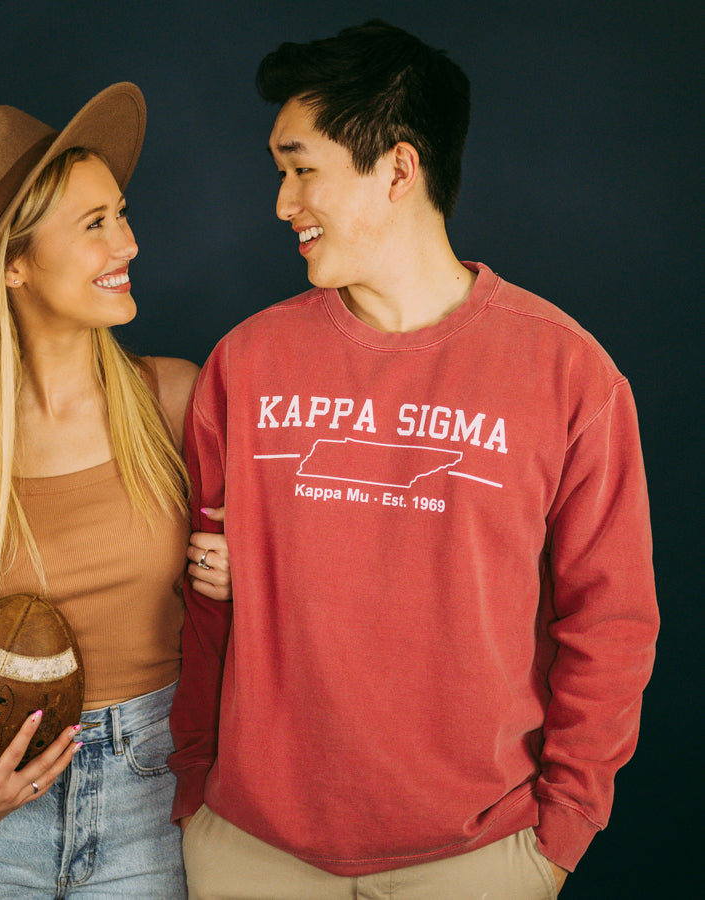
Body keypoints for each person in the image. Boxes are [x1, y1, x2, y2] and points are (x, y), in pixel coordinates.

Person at [169, 21, 659, 899]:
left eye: (301, 168)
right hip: (251, 850)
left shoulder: (569, 372)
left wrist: (562, 832)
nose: (282, 203)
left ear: (398, 169)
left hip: (479, 859)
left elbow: (610, 622)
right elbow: (202, 605)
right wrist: (195, 790)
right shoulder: (246, 365)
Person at [0, 83, 230, 898]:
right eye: (94, 224)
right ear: (16, 265)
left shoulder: (176, 399)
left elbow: (281, 581)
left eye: (121, 213)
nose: (128, 242)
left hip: (153, 791)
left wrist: (245, 565)